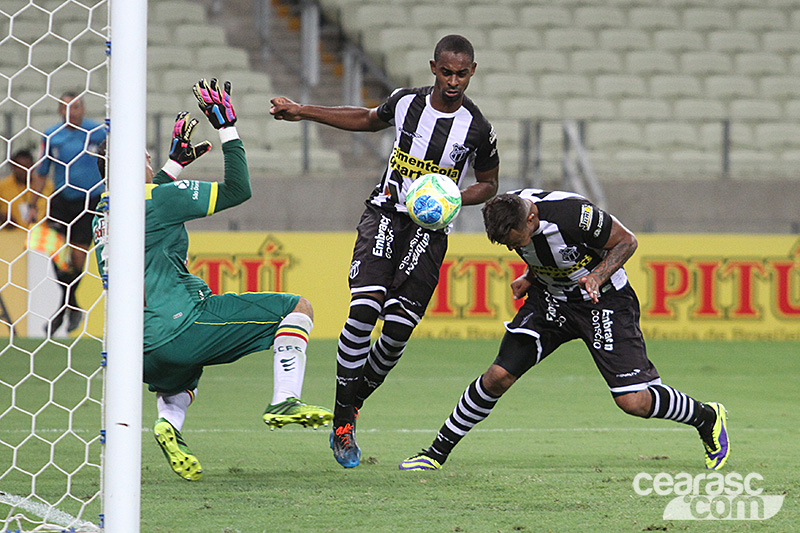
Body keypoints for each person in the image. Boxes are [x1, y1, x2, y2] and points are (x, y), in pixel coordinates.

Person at [270, 34, 500, 468]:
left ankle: (352, 402)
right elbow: (365, 118)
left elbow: (489, 184)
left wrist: (453, 196)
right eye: (446, 72)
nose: (453, 81)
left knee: (395, 336)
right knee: (364, 310)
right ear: (433, 68)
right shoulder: (407, 102)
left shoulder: (477, 128)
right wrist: (303, 110)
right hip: (386, 214)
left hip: (429, 232)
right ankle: (343, 420)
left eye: (461, 74)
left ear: (472, 71)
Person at [92, 78, 333, 481]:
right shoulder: (160, 199)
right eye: (146, 158)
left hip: (134, 351)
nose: (151, 163)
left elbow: (150, 201)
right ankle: (285, 399)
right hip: (181, 325)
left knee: (179, 381)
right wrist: (227, 128)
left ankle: (169, 424)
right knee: (297, 308)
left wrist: (174, 165)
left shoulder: (102, 215)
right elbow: (238, 190)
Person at [399, 190, 730, 472]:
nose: (512, 248)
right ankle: (435, 454)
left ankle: (706, 417)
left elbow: (627, 242)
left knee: (634, 401)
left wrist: (597, 276)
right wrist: (530, 277)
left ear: (531, 219)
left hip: (603, 300)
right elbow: (544, 250)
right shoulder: (509, 212)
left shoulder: (574, 215)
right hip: (550, 300)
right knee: (497, 376)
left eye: (515, 241)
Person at [29, 92, 107, 334]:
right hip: (61, 200)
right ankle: (70, 305)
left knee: (77, 257)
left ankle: (64, 308)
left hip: (89, 200)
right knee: (56, 253)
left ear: (83, 109)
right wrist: (32, 204)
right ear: (59, 111)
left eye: (76, 107)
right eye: (66, 107)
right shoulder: (51, 136)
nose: (71, 112)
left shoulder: (99, 133)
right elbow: (42, 172)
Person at [0, 149, 51, 231]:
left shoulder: (47, 186)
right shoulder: (2, 186)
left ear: (33, 166)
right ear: (12, 167)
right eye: (19, 166)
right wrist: (3, 217)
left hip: (40, 233)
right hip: (11, 234)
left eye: (27, 166)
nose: (23, 170)